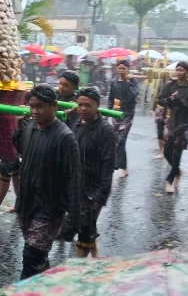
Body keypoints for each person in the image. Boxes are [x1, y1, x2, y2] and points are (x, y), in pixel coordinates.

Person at [12, 84, 82, 280]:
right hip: (27, 203)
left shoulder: (65, 137)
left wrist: (73, 222)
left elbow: (74, 181)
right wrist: (18, 129)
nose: (34, 111)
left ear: (54, 106)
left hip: (49, 210)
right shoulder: (30, 129)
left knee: (31, 257)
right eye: (31, 106)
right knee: (38, 258)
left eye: (40, 106)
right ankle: (48, 284)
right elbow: (21, 150)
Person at [72, 87, 115, 258]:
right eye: (80, 105)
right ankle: (96, 255)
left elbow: (108, 165)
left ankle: (76, 273)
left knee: (84, 230)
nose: (82, 109)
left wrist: (99, 195)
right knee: (87, 224)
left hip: (95, 190)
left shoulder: (106, 131)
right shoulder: (75, 124)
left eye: (87, 105)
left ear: (97, 104)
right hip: (77, 187)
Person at [157, 62, 188, 193]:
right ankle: (178, 171)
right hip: (170, 122)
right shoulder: (170, 85)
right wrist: (170, 99)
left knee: (177, 153)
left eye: (181, 70)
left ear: (187, 72)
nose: (178, 72)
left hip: (184, 124)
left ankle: (169, 180)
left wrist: (179, 100)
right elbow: (159, 100)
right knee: (167, 152)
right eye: (177, 70)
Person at [108, 59, 139, 178]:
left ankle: (117, 165)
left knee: (121, 141)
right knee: (117, 142)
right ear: (117, 69)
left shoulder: (133, 82)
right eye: (119, 68)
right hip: (115, 115)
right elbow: (111, 98)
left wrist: (128, 82)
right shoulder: (113, 82)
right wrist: (109, 111)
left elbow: (133, 96)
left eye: (124, 68)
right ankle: (124, 167)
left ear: (128, 69)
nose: (121, 71)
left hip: (127, 115)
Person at [151, 75, 169, 159]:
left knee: (167, 132)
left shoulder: (175, 85)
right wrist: (152, 108)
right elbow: (156, 97)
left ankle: (167, 150)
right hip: (159, 111)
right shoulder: (159, 83)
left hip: (169, 112)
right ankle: (161, 151)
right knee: (160, 131)